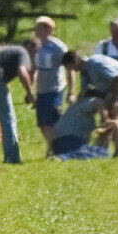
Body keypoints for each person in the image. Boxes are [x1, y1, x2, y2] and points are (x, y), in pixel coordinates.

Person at [62, 51, 118, 157]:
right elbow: (84, 92)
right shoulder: (84, 72)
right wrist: (73, 109)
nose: (72, 71)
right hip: (115, 88)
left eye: (71, 67)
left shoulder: (95, 64)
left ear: (75, 61)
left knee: (115, 116)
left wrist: (115, 101)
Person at [32, 15, 73, 147]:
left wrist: (71, 91)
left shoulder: (58, 48)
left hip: (54, 90)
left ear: (46, 29)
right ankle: (54, 147)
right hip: (41, 90)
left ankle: (58, 148)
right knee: (42, 123)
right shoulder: (36, 46)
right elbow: (33, 69)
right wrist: (31, 91)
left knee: (52, 121)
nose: (35, 30)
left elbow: (70, 69)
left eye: (37, 27)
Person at [49, 94, 117, 160]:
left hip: (56, 144)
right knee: (101, 153)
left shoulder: (76, 107)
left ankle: (60, 156)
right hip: (70, 140)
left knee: (96, 151)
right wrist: (106, 119)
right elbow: (98, 102)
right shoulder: (90, 101)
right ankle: (63, 157)